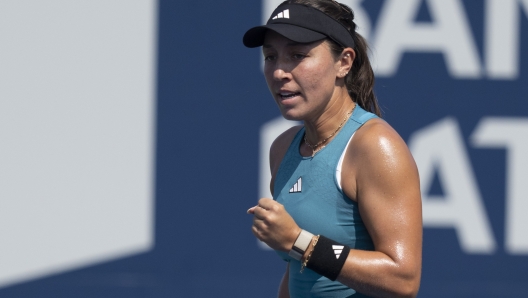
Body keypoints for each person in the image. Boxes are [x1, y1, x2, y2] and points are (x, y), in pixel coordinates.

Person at [244, 0, 422, 297]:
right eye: (271, 57)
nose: (279, 72)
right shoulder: (283, 148)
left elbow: (402, 279)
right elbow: (299, 274)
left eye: (298, 55)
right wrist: (297, 248)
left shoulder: (375, 146)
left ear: (344, 62)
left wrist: (298, 242)